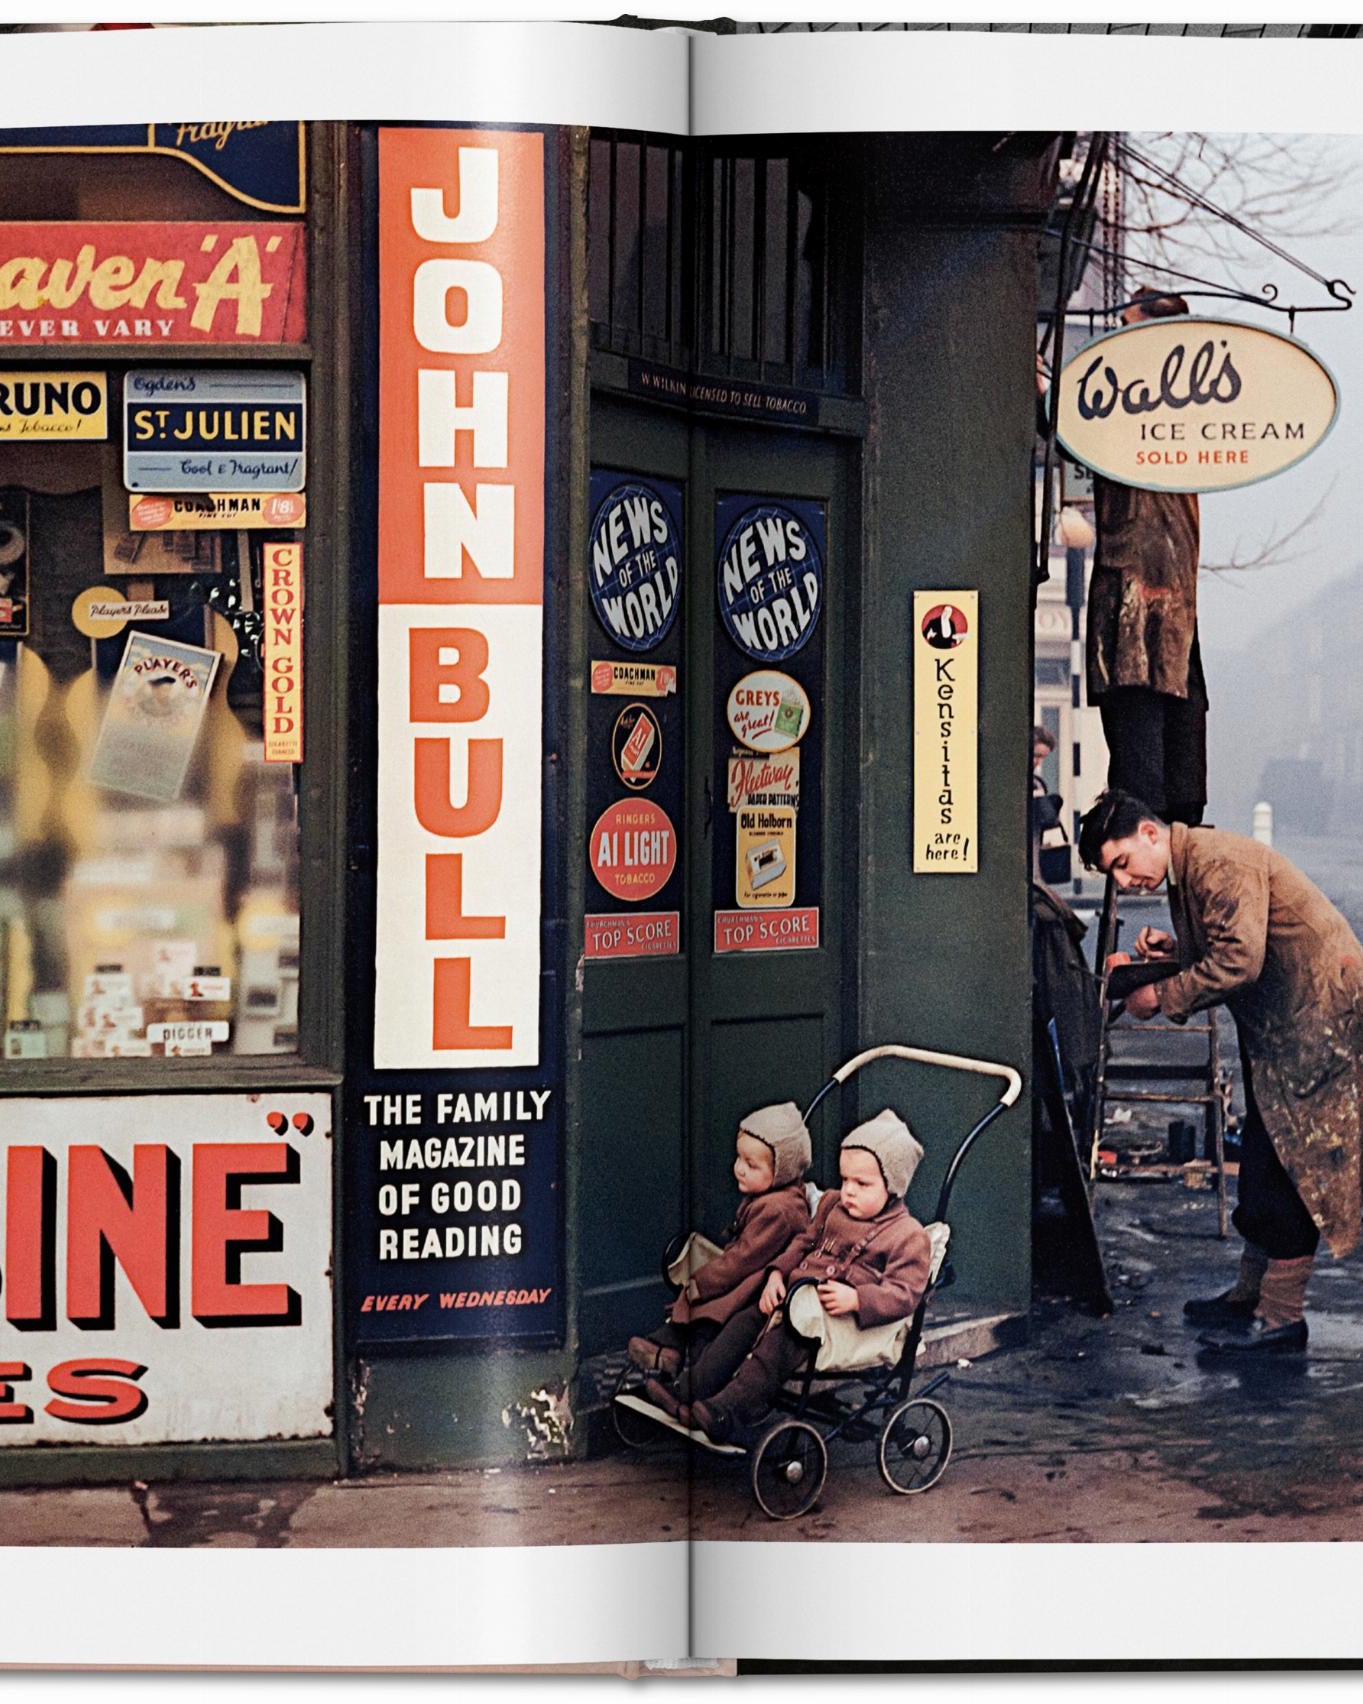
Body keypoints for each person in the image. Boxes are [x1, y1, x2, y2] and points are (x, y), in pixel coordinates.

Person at [1078, 789, 1363, 1354]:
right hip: (1287, 1032)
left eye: (1122, 862)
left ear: (1151, 834)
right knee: (1262, 1159)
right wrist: (1172, 952)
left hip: (1316, 1027)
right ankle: (1250, 1295)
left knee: (1291, 1170)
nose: (1125, 881)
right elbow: (1233, 941)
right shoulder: (1192, 868)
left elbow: (1239, 961)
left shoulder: (1216, 863)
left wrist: (1160, 992)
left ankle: (1282, 1319)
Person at [648, 1110, 933, 1443]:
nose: (848, 1191)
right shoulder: (831, 1205)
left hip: (835, 1323)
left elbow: (904, 1293)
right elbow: (802, 1244)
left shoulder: (907, 1235)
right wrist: (776, 1275)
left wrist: (858, 1299)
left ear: (895, 1185)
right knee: (741, 1324)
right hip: (794, 1298)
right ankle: (688, 1389)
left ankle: (726, 1409)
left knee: (776, 1350)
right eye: (845, 1180)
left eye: (862, 1183)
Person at [1083, 289, 1208, 827]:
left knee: (1174, 772)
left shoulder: (1183, 405)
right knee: (1142, 768)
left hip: (1171, 603)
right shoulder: (1116, 399)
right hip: (1134, 594)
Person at [628, 1102, 811, 1381]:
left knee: (708, 1308)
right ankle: (671, 1348)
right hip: (745, 1273)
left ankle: (692, 1367)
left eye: (752, 1165)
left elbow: (744, 1258)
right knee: (703, 1309)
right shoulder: (768, 1198)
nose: (740, 1169)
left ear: (782, 1171)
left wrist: (702, 1282)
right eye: (739, 1159)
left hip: (753, 1284)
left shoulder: (778, 1211)